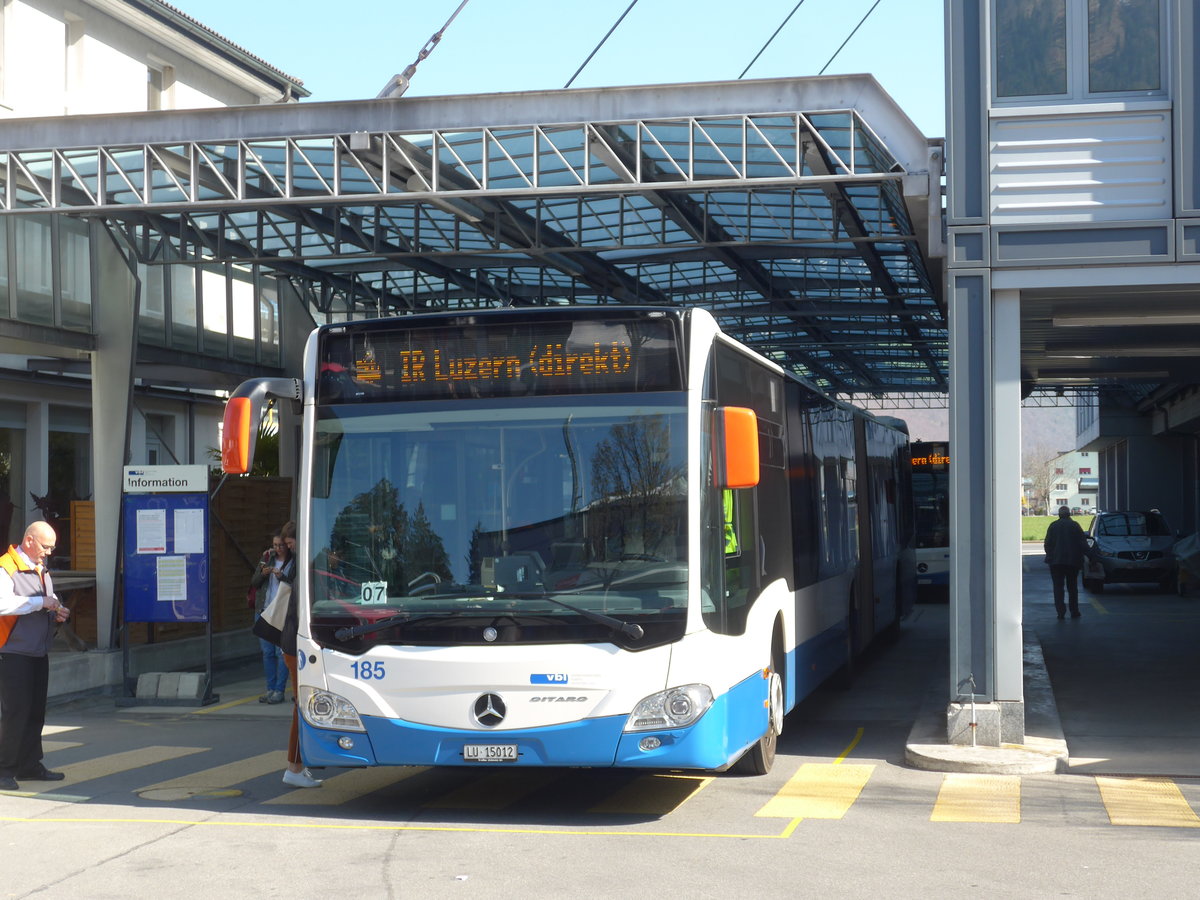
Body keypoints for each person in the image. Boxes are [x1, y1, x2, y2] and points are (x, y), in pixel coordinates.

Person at [0, 522, 70, 791]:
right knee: (15, 712)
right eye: (45, 546)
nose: (49, 552)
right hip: (12, 650)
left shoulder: (41, 569)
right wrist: (41, 603)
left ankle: (29, 766)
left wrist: (58, 611)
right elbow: (3, 604)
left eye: (52, 547)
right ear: (29, 541)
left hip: (37, 650)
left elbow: (48, 600)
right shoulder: (7, 567)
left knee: (34, 712)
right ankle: (5, 769)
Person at [278, 520, 323, 789]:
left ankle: (299, 766)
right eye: (287, 541)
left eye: (291, 540)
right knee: (301, 706)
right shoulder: (304, 566)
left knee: (303, 704)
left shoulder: (299, 564)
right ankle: (294, 767)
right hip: (296, 645)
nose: (288, 545)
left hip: (293, 644)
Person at [250, 532, 292, 704]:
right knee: (267, 652)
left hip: (281, 610)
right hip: (264, 609)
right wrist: (264, 573)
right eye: (275, 545)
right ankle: (270, 688)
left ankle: (279, 690)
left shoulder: (293, 560)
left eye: (281, 545)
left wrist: (282, 576)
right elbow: (254, 582)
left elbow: (296, 583)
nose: (277, 548)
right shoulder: (267, 557)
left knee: (280, 652)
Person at [1044, 505, 1091, 620]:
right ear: (1069, 514)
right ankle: (1074, 611)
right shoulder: (1075, 526)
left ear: (1059, 515)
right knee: (1072, 587)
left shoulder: (1053, 526)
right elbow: (1083, 544)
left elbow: (1047, 544)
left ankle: (1060, 612)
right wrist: (1092, 557)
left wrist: (1050, 556)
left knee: (1058, 588)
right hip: (1072, 562)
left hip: (1056, 562)